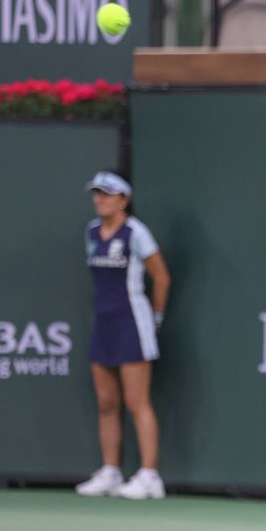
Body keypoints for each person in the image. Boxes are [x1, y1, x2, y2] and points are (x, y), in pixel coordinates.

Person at [75, 171, 171, 500]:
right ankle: (110, 471)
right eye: (97, 194)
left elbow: (161, 277)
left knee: (136, 401)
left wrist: (156, 318)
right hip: (103, 323)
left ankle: (149, 475)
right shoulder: (91, 232)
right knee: (106, 402)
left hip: (133, 322)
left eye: (107, 194)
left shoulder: (136, 233)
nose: (100, 199)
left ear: (123, 200)